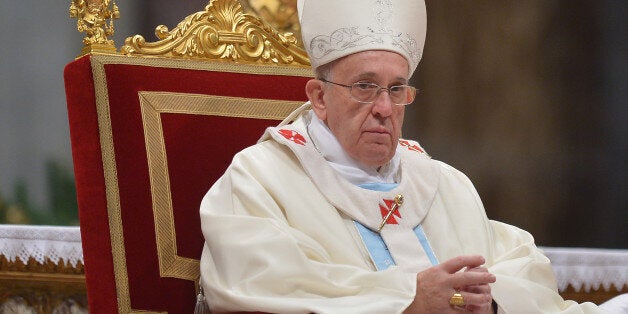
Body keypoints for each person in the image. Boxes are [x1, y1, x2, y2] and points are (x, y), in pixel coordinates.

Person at [199, 0, 607, 313]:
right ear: (319, 97)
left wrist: (491, 302)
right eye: (364, 86)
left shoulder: (442, 182)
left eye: (397, 89)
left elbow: (522, 268)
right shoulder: (260, 178)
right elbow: (259, 286)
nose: (384, 107)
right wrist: (410, 300)